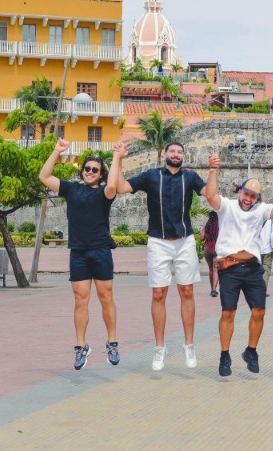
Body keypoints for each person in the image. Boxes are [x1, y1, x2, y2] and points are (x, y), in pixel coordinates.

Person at [112, 141, 211, 371]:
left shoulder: (191, 177)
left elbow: (210, 193)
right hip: (158, 241)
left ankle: (189, 344)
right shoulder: (151, 176)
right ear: (164, 154)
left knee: (187, 290)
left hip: (184, 240)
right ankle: (159, 347)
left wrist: (214, 170)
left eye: (180, 152)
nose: (176, 155)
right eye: (172, 151)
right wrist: (118, 159)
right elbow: (122, 187)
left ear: (183, 156)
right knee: (159, 293)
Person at [38, 140, 120, 370]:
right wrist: (56, 151)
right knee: (80, 299)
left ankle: (112, 342)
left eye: (95, 170)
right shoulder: (71, 189)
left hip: (101, 250)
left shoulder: (105, 192)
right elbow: (45, 177)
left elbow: (113, 184)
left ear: (101, 174)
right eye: (87, 169)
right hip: (79, 253)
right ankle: (81, 346)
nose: (89, 172)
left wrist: (117, 157)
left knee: (106, 296)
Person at [205, 165, 273, 378]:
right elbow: (210, 196)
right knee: (228, 312)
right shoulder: (227, 207)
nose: (249, 199)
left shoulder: (261, 210)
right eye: (246, 193)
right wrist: (213, 170)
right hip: (229, 268)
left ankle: (251, 351)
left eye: (253, 196)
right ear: (240, 191)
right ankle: (224, 355)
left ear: (257, 198)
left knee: (259, 311)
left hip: (252, 267)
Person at [201, 212, 220, 297]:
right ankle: (214, 289)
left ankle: (211, 288)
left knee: (210, 269)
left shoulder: (207, 224)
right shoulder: (220, 224)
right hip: (217, 248)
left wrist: (204, 228)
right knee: (216, 269)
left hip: (207, 248)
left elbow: (201, 238)